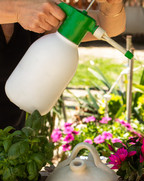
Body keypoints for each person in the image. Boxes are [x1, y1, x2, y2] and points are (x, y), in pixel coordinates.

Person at [0, 0, 126, 129]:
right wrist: (19, 10)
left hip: (9, 140)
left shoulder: (33, 15)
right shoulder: (24, 8)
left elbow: (108, 26)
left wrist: (112, 5)